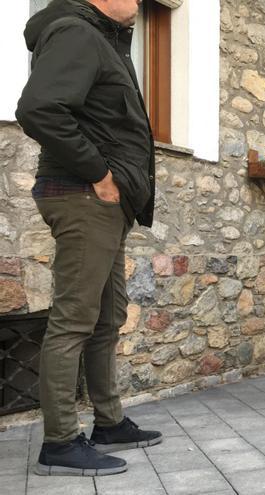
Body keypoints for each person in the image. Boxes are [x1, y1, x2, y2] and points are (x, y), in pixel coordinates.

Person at [15, 0, 162, 476]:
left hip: (103, 201)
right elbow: (38, 109)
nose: (140, 3)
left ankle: (109, 421)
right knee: (75, 318)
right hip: (83, 195)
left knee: (107, 316)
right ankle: (59, 442)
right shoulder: (75, 32)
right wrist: (99, 173)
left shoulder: (102, 40)